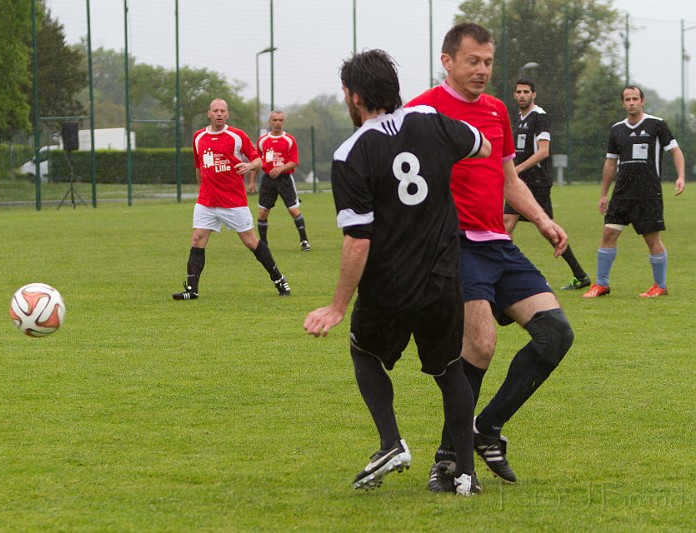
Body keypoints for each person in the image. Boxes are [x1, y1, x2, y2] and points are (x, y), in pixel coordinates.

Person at [304, 49, 492, 496]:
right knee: (451, 372)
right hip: (442, 281)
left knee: (364, 354)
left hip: (387, 287)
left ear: (354, 97)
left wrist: (336, 306)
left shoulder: (351, 153)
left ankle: (391, 443)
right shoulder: (430, 120)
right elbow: (481, 145)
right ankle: (464, 473)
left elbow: (358, 239)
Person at [405, 22, 574, 485]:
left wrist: (542, 220)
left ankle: (486, 429)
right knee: (478, 345)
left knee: (556, 334)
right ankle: (446, 459)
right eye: (472, 61)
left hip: (497, 243)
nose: (482, 70)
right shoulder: (421, 112)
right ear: (447, 61)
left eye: (488, 62)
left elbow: (509, 179)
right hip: (452, 245)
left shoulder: (498, 110)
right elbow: (401, 187)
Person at [173, 98, 291, 301]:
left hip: (233, 200)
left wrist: (249, 166)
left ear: (227, 114)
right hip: (207, 201)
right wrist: (202, 189)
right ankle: (192, 290)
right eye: (215, 110)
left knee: (251, 241)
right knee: (197, 238)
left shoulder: (237, 136)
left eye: (222, 111)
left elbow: (258, 160)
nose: (219, 114)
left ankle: (279, 278)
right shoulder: (198, 137)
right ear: (209, 113)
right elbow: (198, 167)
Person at [583, 85, 686, 298]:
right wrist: (604, 193)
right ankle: (602, 284)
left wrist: (681, 176)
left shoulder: (656, 125)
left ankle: (660, 285)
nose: (631, 102)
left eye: (635, 98)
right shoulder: (616, 129)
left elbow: (675, 151)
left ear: (642, 101)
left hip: (648, 193)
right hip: (622, 192)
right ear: (623, 103)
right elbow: (610, 163)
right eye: (628, 99)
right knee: (608, 233)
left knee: (651, 239)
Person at [507, 79, 590, 290]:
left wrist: (518, 169)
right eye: (519, 92)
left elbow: (543, 151)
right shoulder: (517, 119)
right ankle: (505, 274)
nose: (523, 95)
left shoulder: (539, 117)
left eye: (527, 91)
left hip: (536, 181)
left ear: (534, 95)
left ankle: (580, 275)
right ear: (514, 95)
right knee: (506, 223)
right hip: (518, 183)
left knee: (548, 229)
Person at [248, 111, 311, 252]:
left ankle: (304, 240)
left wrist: (280, 169)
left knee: (293, 210)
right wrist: (251, 182)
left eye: (280, 120)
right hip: (267, 180)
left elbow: (294, 162)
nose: (277, 122)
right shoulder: (262, 141)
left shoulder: (289, 140)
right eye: (275, 120)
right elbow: (256, 162)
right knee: (263, 212)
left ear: (284, 122)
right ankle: (263, 244)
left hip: (285, 179)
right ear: (269, 121)